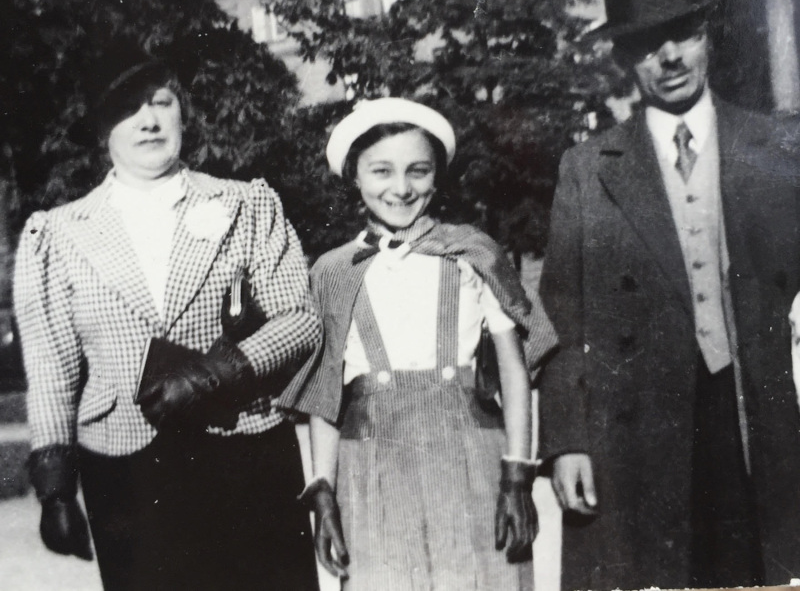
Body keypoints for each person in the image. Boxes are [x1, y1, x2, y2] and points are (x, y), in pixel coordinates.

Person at [538, 0, 800, 590]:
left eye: (682, 35)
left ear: (705, 35)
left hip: (757, 406)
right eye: (648, 44)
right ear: (626, 58)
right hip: (643, 420)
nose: (671, 57)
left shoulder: (773, 145)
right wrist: (567, 439)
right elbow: (562, 315)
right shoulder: (589, 167)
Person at [13, 42, 321, 591]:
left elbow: (299, 318)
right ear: (102, 129)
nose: (149, 120)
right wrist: (55, 485)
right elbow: (51, 367)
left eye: (160, 102)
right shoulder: (56, 234)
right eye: (127, 108)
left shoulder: (246, 204)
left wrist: (213, 374)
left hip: (243, 443)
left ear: (182, 112)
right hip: (125, 467)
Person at [280, 97, 559, 590]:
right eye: (381, 171)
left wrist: (518, 473)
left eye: (418, 171)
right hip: (372, 468)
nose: (401, 188)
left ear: (436, 177)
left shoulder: (471, 253)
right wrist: (323, 491)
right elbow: (326, 393)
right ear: (355, 177)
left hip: (472, 458)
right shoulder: (333, 271)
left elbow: (514, 372)